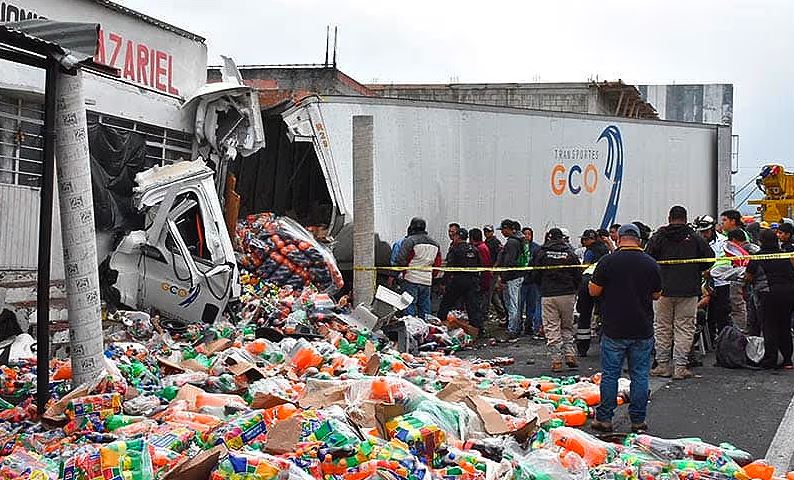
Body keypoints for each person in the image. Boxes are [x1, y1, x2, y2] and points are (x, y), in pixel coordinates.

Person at [588, 223, 662, 434]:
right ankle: (638, 420)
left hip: (614, 327)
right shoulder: (650, 263)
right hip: (642, 327)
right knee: (640, 375)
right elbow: (657, 294)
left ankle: (604, 419)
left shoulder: (608, 261)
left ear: (619, 238)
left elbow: (593, 291)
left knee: (610, 374)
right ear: (639, 240)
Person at [646, 206, 714, 380]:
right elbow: (709, 258)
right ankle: (680, 366)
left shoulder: (659, 236)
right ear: (685, 218)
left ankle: (662, 365)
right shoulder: (695, 237)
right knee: (684, 327)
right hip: (688, 290)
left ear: (669, 218)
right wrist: (695, 270)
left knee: (662, 327)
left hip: (662, 290)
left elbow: (648, 259)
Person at [533, 228, 582, 371]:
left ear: (548, 237)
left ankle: (556, 361)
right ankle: (570, 354)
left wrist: (541, 286)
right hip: (567, 294)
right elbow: (577, 273)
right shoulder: (569, 253)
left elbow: (535, 273)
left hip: (549, 294)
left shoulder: (542, 253)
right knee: (567, 326)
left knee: (552, 326)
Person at [746, 229, 794, 369]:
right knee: (785, 326)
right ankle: (787, 360)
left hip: (768, 294)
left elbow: (748, 277)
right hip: (788, 294)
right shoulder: (785, 255)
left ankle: (770, 359)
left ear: (761, 242)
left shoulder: (757, 257)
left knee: (769, 327)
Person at [395, 217, 442, 319]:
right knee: (425, 309)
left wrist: (404, 272)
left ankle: (410, 331)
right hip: (427, 280)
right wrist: (431, 276)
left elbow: (401, 259)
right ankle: (425, 331)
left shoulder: (409, 241)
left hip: (411, 279)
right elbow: (437, 264)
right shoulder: (435, 244)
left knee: (408, 306)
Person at [438, 228, 483, 332]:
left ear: (457, 237)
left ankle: (440, 323)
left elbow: (450, 268)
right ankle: (478, 328)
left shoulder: (455, 249)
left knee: (446, 303)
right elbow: (480, 265)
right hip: (472, 281)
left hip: (458, 280)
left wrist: (443, 283)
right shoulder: (474, 249)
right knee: (473, 306)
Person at [693, 215, 731, 338]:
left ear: (713, 229)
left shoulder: (723, 241)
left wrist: (711, 271)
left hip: (721, 283)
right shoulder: (696, 241)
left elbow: (726, 261)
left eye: (706, 232)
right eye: (701, 232)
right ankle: (708, 337)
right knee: (705, 313)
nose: (704, 234)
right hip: (702, 283)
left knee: (722, 313)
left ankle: (723, 339)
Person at [576, 229, 611, 357]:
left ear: (591, 240)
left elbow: (584, 267)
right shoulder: (605, 250)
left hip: (587, 281)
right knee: (603, 314)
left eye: (585, 239)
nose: (583, 242)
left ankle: (582, 347)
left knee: (585, 314)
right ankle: (604, 344)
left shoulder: (590, 251)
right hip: (603, 282)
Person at [720, 209, 754, 331]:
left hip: (739, 275)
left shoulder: (739, 236)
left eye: (724, 220)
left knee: (739, 305)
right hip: (731, 274)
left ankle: (741, 331)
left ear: (733, 221)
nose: (722, 223)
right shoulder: (726, 235)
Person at [495, 219, 526, 338]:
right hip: (518, 275)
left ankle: (513, 329)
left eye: (503, 229)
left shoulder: (512, 242)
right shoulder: (519, 240)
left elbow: (509, 262)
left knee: (513, 304)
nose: (502, 232)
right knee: (515, 303)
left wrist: (503, 278)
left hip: (512, 277)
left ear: (508, 229)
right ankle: (515, 326)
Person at [519, 227, 542, 336]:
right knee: (519, 304)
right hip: (521, 280)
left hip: (532, 281)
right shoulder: (519, 247)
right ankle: (518, 326)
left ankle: (529, 326)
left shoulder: (536, 248)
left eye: (529, 234)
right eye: (525, 234)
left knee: (532, 305)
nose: (527, 236)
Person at [469, 228, 493, 315]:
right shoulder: (482, 247)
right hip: (482, 280)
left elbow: (484, 265)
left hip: (481, 281)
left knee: (479, 303)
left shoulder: (480, 248)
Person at [483, 225, 506, 319]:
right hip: (488, 270)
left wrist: (495, 268)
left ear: (492, 232)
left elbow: (499, 256)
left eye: (488, 231)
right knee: (493, 295)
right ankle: (502, 313)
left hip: (493, 271)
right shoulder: (486, 242)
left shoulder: (495, 242)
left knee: (488, 293)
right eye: (485, 231)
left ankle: (485, 313)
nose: (486, 233)